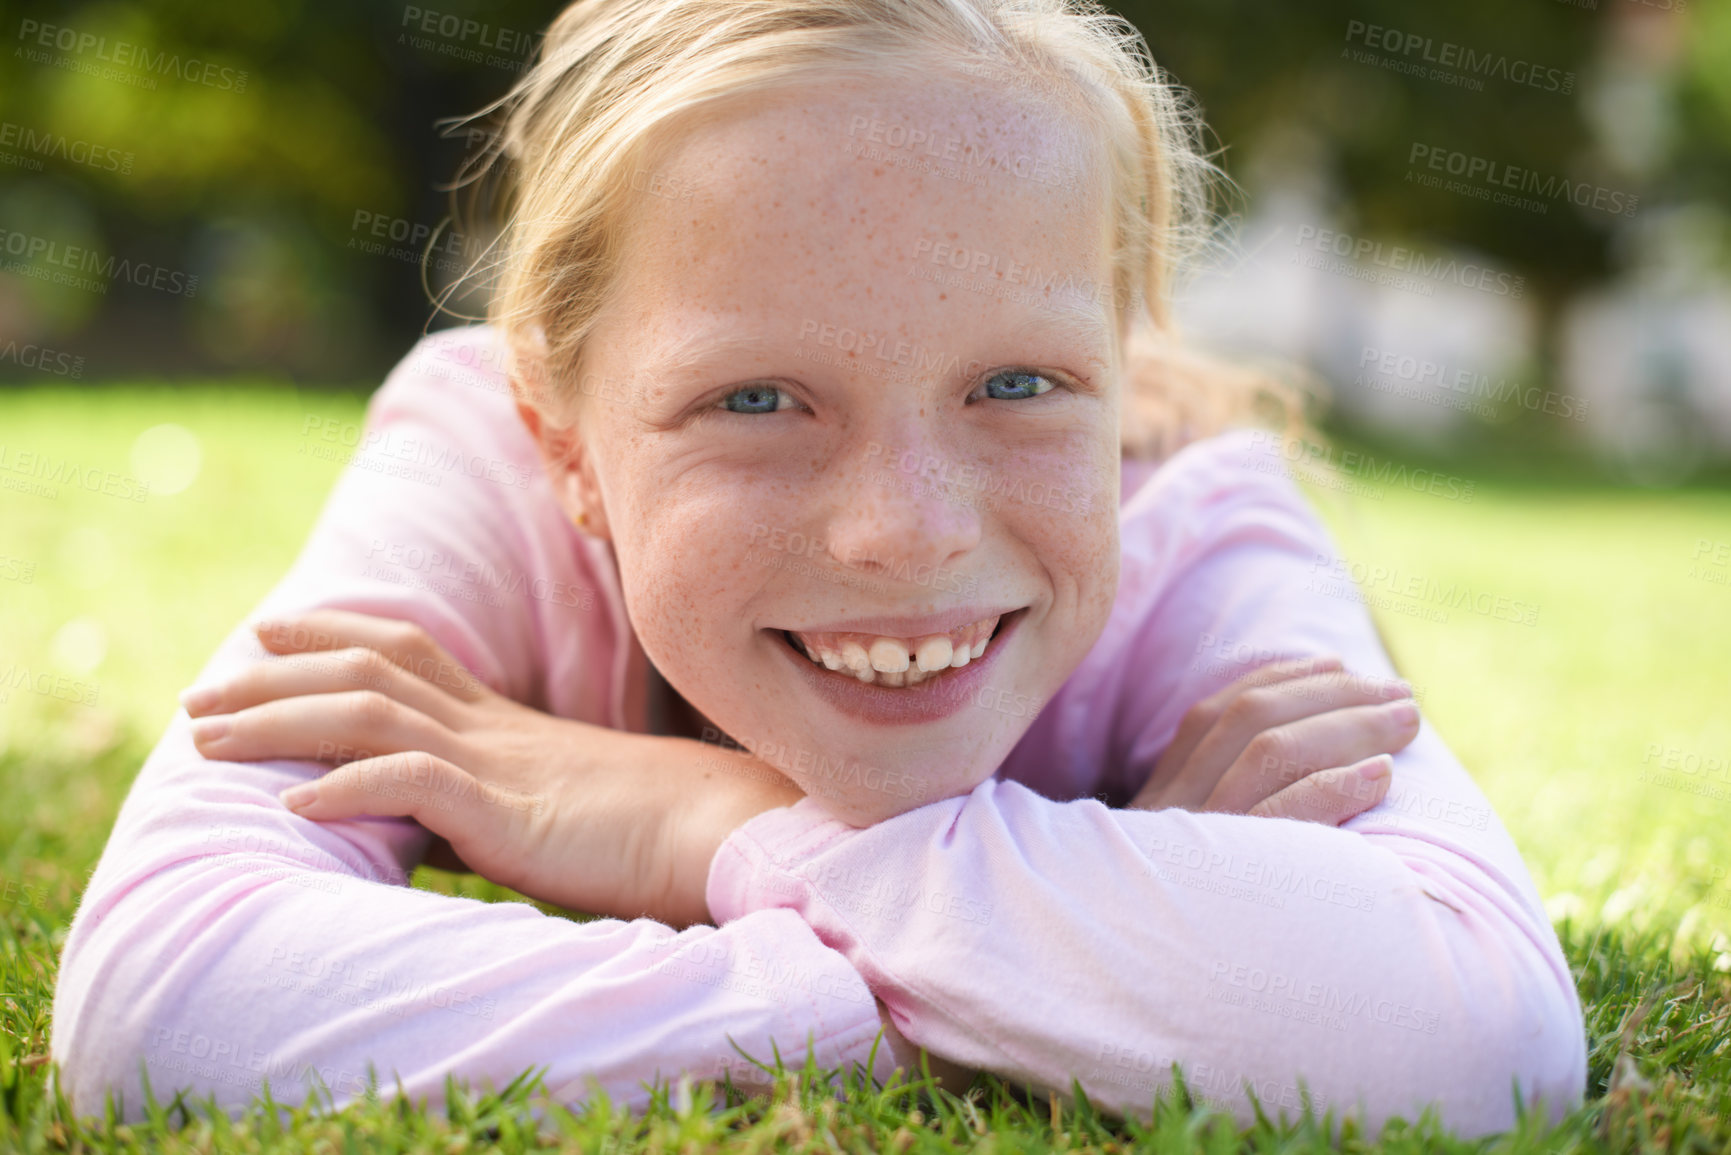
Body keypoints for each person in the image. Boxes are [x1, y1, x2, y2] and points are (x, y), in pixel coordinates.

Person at [49, 0, 1587, 1136]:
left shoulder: (1202, 526)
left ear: (1123, 377)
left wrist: (697, 827)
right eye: (757, 401)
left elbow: (1476, 1036)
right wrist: (1052, 972)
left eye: (1019, 386)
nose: (909, 530)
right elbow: (167, 995)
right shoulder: (478, 459)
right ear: (567, 435)